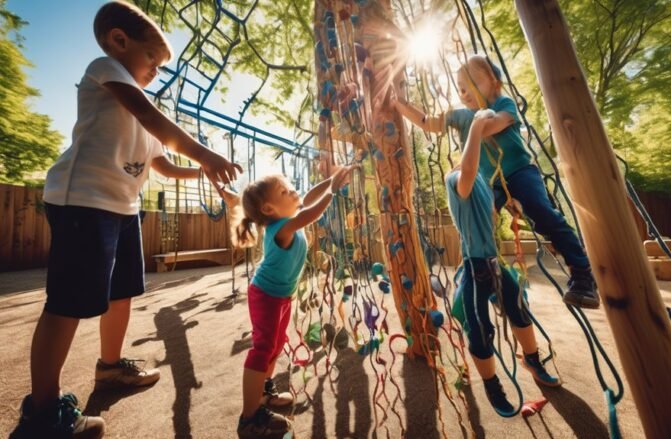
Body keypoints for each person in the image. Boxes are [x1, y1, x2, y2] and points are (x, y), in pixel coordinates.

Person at [10, 2, 242, 438]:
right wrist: (208, 153)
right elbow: (150, 116)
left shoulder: (140, 100)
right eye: (152, 59)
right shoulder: (106, 71)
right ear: (119, 41)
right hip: (84, 201)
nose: (155, 70)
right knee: (67, 305)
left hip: (122, 208)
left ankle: (110, 368)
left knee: (122, 294)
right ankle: (42, 416)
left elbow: (165, 166)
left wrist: (206, 172)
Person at [390, 54, 599, 309]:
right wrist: (398, 102)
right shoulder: (463, 115)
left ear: (494, 81)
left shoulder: (504, 104)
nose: (465, 91)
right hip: (490, 183)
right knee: (480, 222)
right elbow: (427, 122)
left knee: (543, 214)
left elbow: (492, 127)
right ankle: (492, 279)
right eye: (461, 87)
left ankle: (582, 272)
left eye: (472, 82)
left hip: (520, 172)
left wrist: (470, 132)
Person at [223, 165, 357, 438]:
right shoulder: (281, 228)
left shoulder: (288, 215)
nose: (293, 191)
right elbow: (310, 213)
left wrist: (330, 180)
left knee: (276, 344)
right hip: (265, 295)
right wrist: (332, 192)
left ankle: (264, 392)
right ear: (270, 210)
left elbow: (307, 198)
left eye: (289, 186)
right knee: (263, 348)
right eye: (284, 191)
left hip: (281, 295)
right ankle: (249, 419)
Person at [446, 108, 560, 418]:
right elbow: (467, 174)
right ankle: (492, 384)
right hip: (474, 267)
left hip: (494, 264)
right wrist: (478, 125)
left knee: (519, 308)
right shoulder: (456, 176)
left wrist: (513, 204)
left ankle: (533, 358)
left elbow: (493, 201)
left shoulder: (485, 181)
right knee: (479, 329)